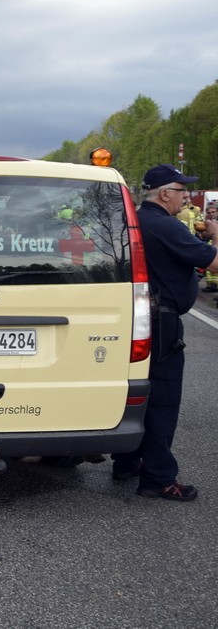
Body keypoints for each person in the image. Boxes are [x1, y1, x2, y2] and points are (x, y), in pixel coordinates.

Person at [112, 164, 218, 501]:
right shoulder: (166, 224)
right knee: (163, 399)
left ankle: (127, 460)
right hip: (162, 322)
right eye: (181, 189)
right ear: (164, 194)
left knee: (139, 394)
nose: (186, 196)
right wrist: (215, 233)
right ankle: (158, 478)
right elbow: (213, 263)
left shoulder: (135, 220)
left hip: (137, 318)